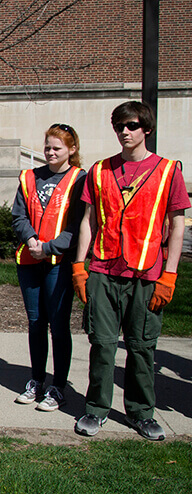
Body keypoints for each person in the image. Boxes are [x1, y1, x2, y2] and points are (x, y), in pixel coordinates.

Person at [72, 101, 190, 441]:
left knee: (141, 348)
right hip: (104, 272)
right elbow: (88, 222)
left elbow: (177, 225)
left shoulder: (168, 171)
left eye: (133, 125)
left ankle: (141, 413)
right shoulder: (99, 171)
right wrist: (80, 267)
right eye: (119, 126)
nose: (125, 131)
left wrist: (169, 275)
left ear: (146, 129)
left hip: (147, 275)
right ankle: (95, 409)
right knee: (103, 345)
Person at [11, 124, 86, 412]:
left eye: (57, 148)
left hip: (59, 262)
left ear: (72, 149)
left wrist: (50, 247)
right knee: (35, 322)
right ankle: (36, 380)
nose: (51, 153)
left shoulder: (80, 179)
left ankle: (58, 386)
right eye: (47, 147)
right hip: (30, 260)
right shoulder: (30, 177)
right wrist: (31, 240)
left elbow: (80, 224)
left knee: (58, 324)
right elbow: (18, 215)